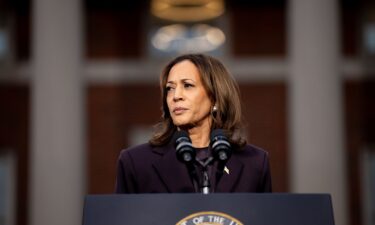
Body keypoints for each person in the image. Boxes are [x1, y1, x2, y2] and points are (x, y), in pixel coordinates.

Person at [115, 53, 272, 193]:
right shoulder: (136, 162)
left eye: (187, 85)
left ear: (215, 98)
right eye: (170, 88)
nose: (176, 96)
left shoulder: (255, 163)